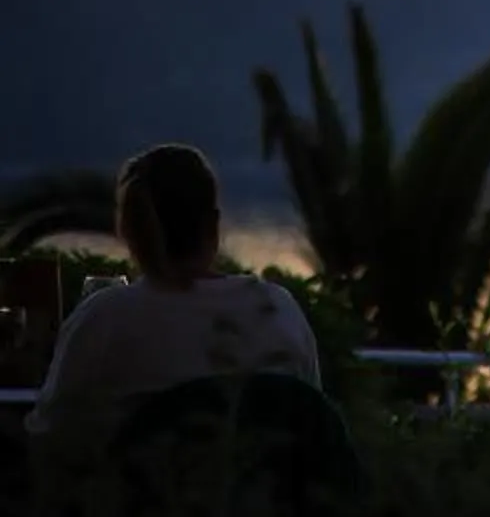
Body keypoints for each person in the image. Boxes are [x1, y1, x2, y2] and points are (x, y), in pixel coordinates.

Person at [29, 144, 319, 444]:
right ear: (213, 225)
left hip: (141, 491)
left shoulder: (103, 320)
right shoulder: (277, 311)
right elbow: (313, 429)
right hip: (263, 490)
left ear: (130, 232)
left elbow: (50, 436)